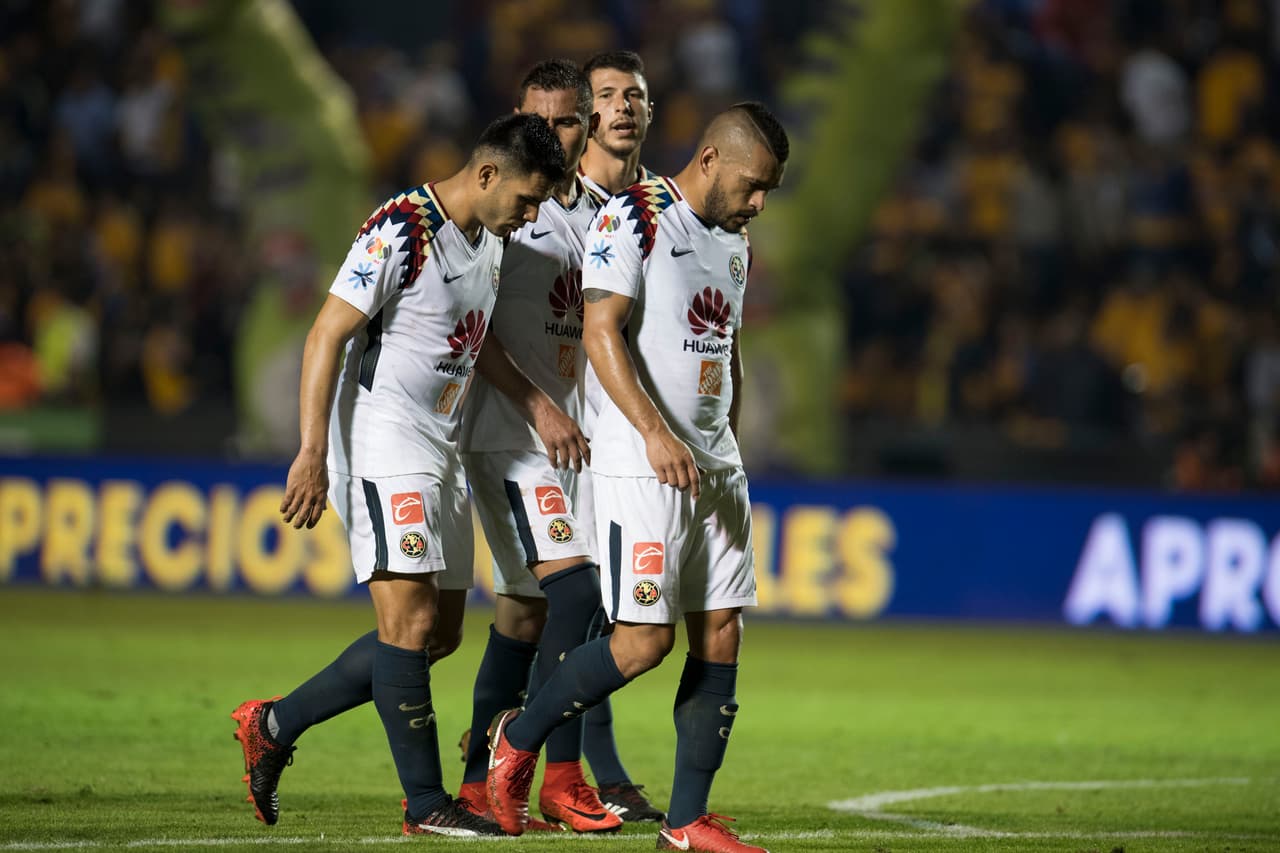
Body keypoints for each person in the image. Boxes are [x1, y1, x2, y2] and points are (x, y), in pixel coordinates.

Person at [230, 112, 566, 837]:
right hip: (382, 443)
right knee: (407, 625)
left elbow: (475, 345)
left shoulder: (488, 241)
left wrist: (535, 401)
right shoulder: (401, 228)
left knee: (437, 633)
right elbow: (325, 332)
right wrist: (312, 449)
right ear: (486, 175)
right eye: (527, 199)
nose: (531, 216)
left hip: (439, 449)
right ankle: (427, 803)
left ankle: (273, 723)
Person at [487, 101, 789, 853]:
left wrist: (728, 438)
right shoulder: (635, 217)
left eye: (768, 194)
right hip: (642, 463)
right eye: (752, 185)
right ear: (712, 159)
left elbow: (726, 348)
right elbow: (599, 330)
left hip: (715, 466)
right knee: (641, 642)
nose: (757, 203)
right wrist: (656, 433)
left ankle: (685, 822)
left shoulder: (737, 241)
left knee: (722, 631)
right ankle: (518, 737)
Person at [454, 58, 623, 833]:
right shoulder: (508, 217)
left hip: (571, 443)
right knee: (579, 595)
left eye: (566, 122)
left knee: (525, 613)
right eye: (540, 120)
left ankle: (470, 787)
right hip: (512, 435)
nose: (552, 136)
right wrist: (540, 406)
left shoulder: (601, 216)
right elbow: (474, 327)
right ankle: (556, 772)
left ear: (586, 126)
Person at [569, 50, 668, 823]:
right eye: (607, 96)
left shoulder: (659, 211)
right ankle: (539, 752)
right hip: (555, 429)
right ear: (586, 113)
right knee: (567, 611)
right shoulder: (554, 200)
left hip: (618, 435)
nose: (624, 107)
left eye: (635, 94)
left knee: (598, 612)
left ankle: (570, 759)